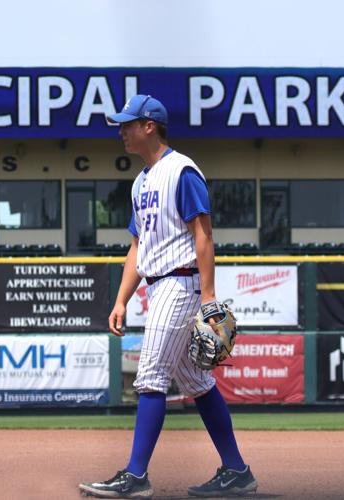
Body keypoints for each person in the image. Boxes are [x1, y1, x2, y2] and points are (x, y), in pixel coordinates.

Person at [78, 95, 257, 498]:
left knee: (151, 377)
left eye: (127, 123)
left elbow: (203, 235)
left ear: (149, 126)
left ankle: (135, 477)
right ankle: (237, 471)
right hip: (157, 285)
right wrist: (121, 300)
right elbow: (137, 249)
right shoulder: (141, 182)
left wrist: (209, 298)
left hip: (181, 283)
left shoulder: (182, 171)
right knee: (196, 380)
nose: (121, 130)